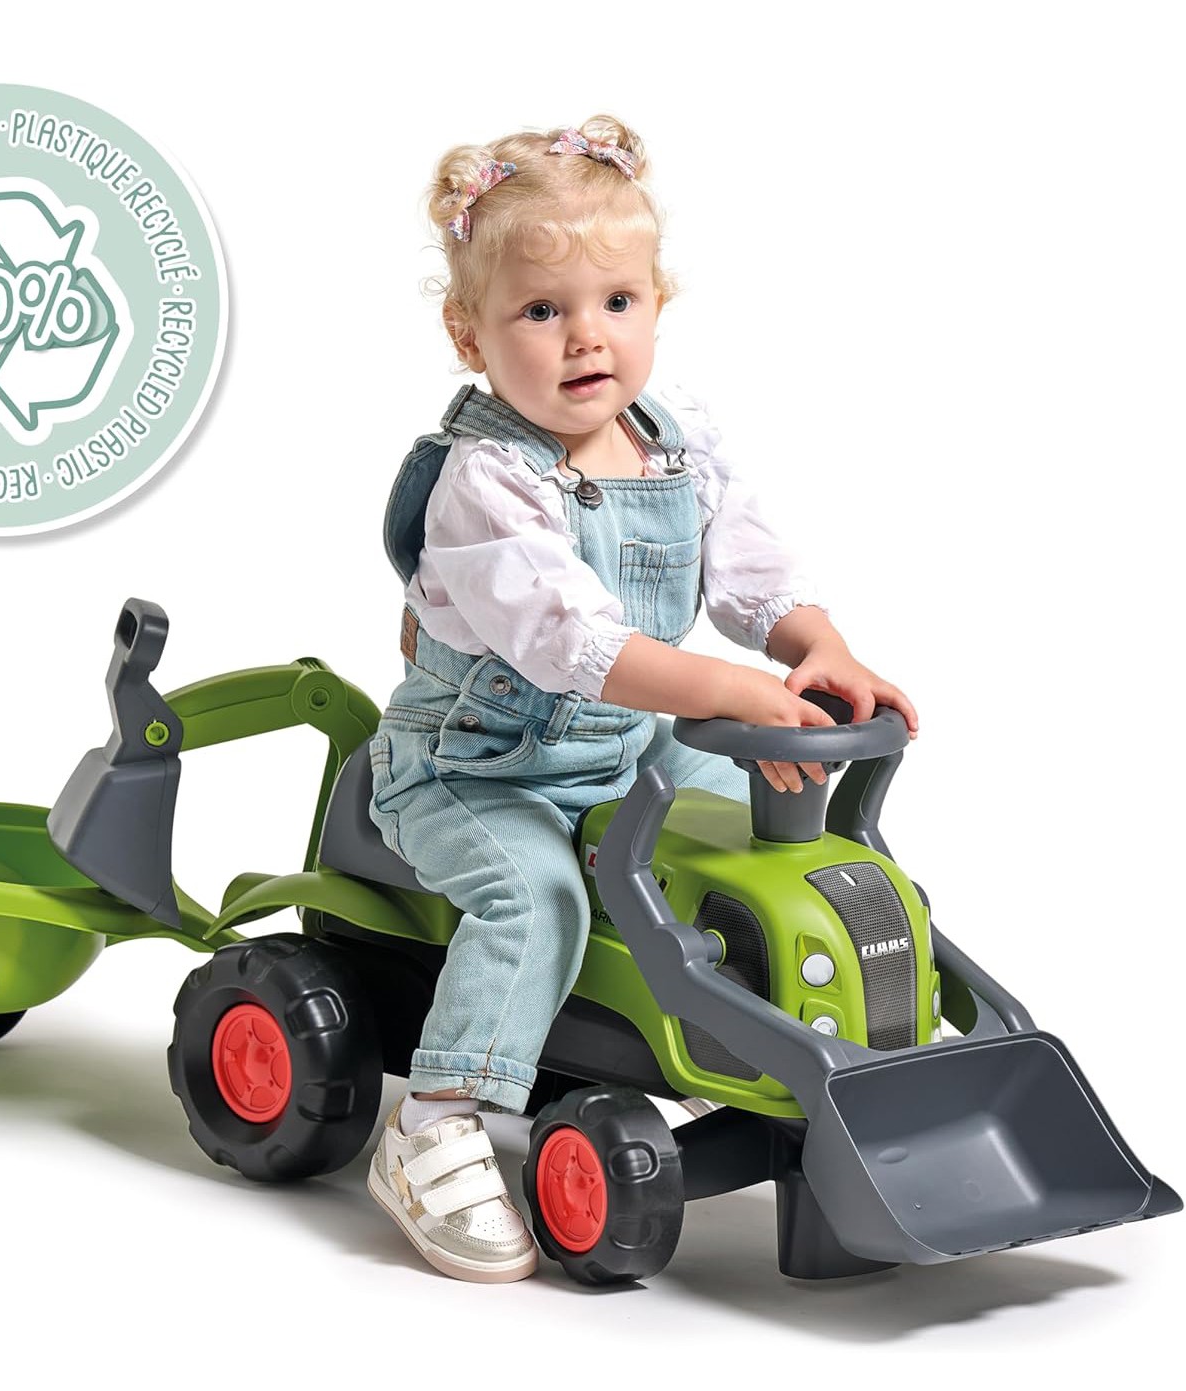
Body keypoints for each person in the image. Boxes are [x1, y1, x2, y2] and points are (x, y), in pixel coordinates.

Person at [365, 117, 918, 1283]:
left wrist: (817, 650)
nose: (585, 337)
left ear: (657, 305)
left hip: (626, 753)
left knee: (779, 841)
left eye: (615, 302)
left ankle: (821, 1043)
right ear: (469, 334)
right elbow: (571, 639)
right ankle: (438, 1122)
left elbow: (752, 575)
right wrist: (729, 686)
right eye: (541, 310)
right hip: (477, 769)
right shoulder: (486, 482)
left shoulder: (674, 444)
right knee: (537, 901)